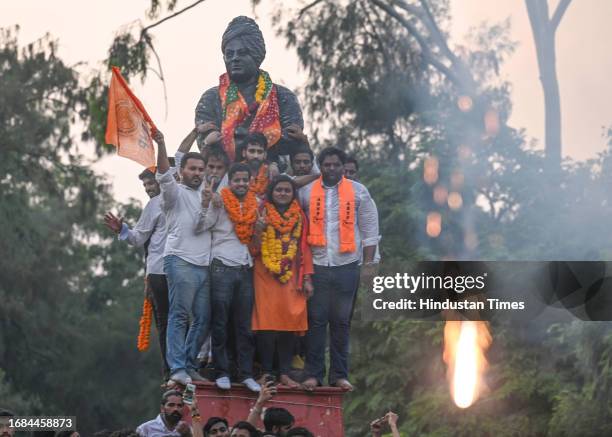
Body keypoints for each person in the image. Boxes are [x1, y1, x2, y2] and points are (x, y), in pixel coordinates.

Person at [298, 147, 380, 391]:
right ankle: (313, 374)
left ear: (343, 167)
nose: (331, 169)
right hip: (318, 266)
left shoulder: (359, 192)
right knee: (315, 322)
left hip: (347, 267)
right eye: (326, 165)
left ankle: (339, 376)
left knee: (341, 323)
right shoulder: (305, 193)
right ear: (320, 166)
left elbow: (369, 231)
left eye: (336, 165)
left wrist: (368, 266)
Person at [195, 16, 304, 163]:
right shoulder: (210, 98)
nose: (234, 58)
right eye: (229, 54)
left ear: (256, 55)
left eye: (242, 53)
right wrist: (261, 139)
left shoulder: (283, 97)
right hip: (223, 178)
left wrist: (238, 138)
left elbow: (292, 141)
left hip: (275, 177)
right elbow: (206, 142)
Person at [195, 163, 260, 392]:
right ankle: (221, 371)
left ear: (250, 181)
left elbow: (257, 238)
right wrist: (205, 204)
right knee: (220, 322)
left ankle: (246, 374)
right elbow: (200, 227)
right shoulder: (219, 201)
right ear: (229, 181)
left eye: (245, 180)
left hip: (245, 266)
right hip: (221, 265)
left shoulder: (257, 203)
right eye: (237, 180)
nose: (241, 184)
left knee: (244, 325)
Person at [155, 130, 212, 385]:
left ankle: (189, 364)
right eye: (193, 169)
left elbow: (203, 226)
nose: (197, 173)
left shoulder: (207, 195)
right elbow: (164, 174)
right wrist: (162, 143)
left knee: (204, 317)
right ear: (183, 171)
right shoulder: (173, 193)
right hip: (179, 260)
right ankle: (177, 368)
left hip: (204, 264)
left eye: (201, 169)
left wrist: (207, 205)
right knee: (179, 316)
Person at [104, 168, 171, 380]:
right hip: (160, 270)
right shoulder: (153, 205)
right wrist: (122, 230)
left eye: (151, 183)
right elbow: (137, 238)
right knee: (166, 321)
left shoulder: (182, 197)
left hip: (188, 267)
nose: (149, 189)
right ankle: (171, 368)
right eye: (146, 186)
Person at [250, 176, 313, 387]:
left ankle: (284, 372)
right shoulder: (262, 211)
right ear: (271, 192)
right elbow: (253, 249)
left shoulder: (300, 216)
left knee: (290, 320)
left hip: (292, 274)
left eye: (287, 190)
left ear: (293, 194)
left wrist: (307, 277)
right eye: (279, 190)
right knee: (266, 322)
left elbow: (305, 247)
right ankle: (268, 372)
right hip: (264, 273)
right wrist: (258, 230)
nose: (283, 193)